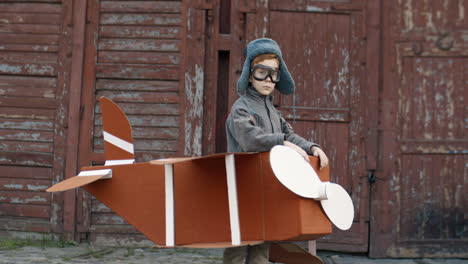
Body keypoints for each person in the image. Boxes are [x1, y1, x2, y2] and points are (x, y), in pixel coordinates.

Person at [224, 38, 329, 264]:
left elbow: (288, 134)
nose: (268, 80)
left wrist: (311, 147)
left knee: (262, 244)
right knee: (240, 245)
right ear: (250, 74)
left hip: (267, 187)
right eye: (262, 72)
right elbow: (250, 139)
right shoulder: (241, 108)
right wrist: (281, 142)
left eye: (274, 73)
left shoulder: (272, 109)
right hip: (244, 188)